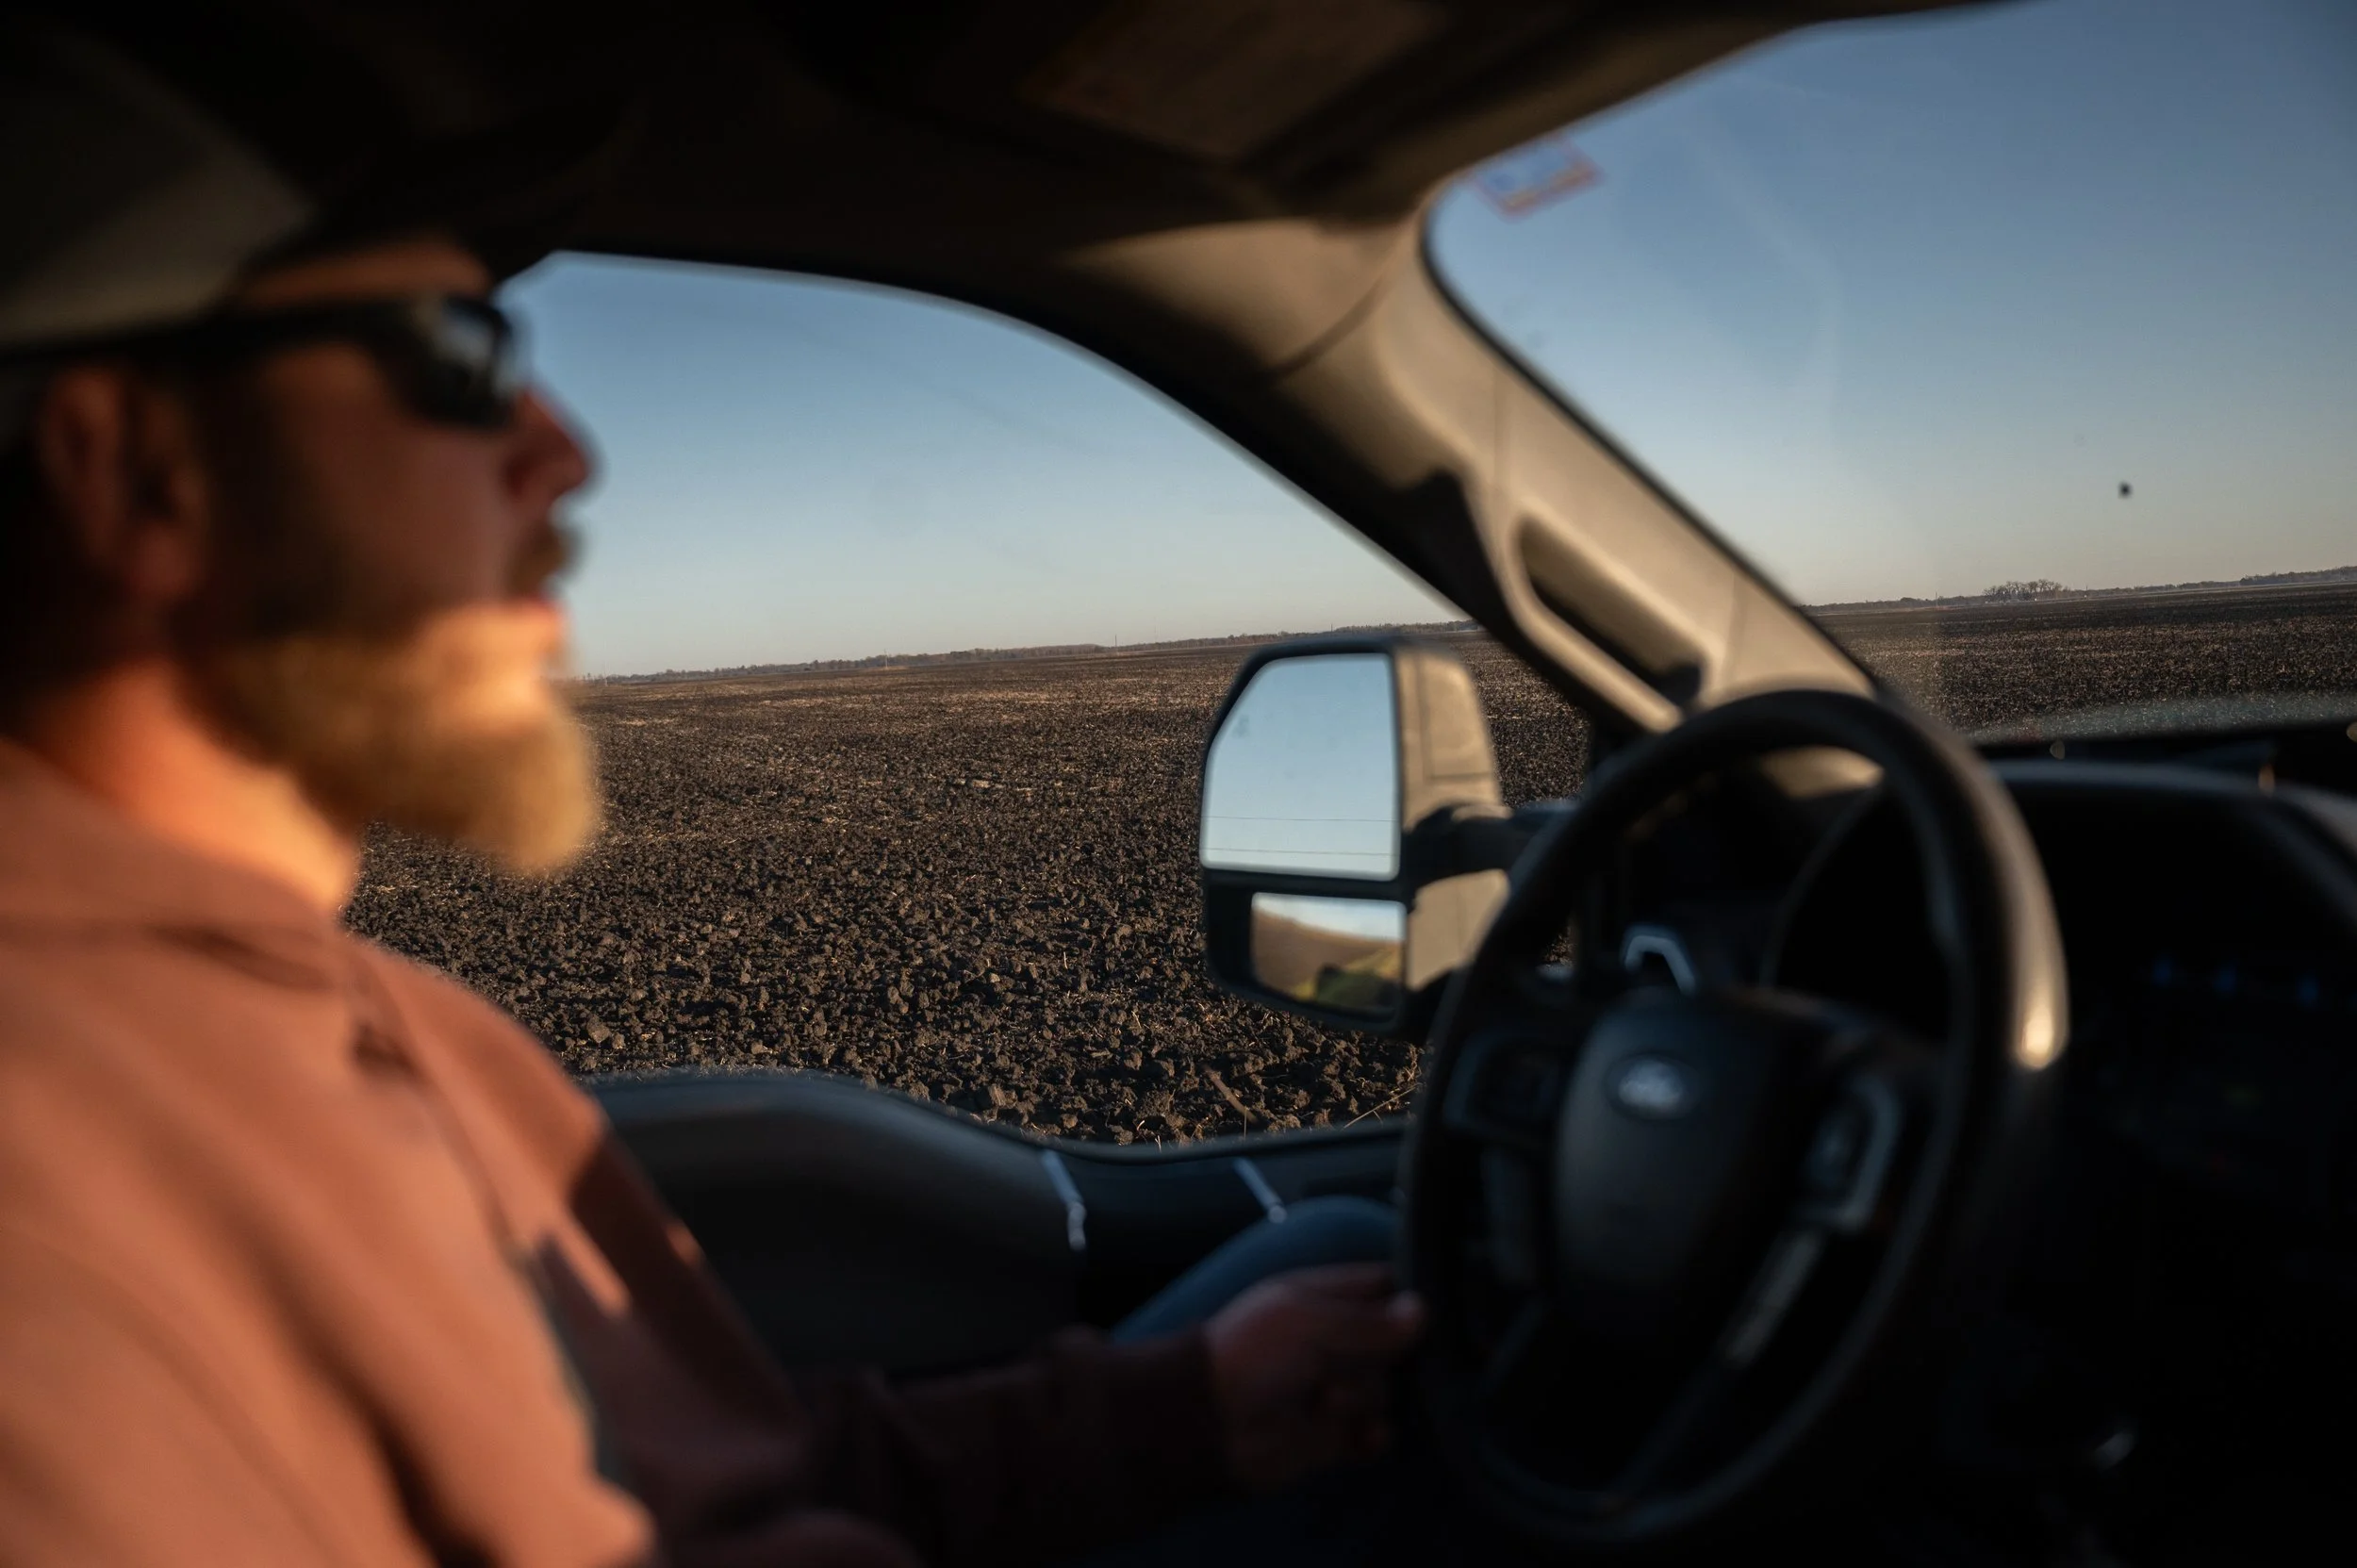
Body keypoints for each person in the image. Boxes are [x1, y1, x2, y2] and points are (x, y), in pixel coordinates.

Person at [0, 20, 1423, 1567]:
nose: (566, 454)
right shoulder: (51, 1219)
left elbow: (708, 1479)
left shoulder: (369, 1018)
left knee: (1341, 1254)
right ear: (128, 465)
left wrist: (1181, 1412)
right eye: (461, 359)